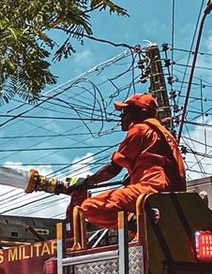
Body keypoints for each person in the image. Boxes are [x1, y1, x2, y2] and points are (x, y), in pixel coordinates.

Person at [67, 92, 186, 230]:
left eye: (125, 112)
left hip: (152, 189)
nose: (121, 116)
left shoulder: (140, 129)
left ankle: (139, 222)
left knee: (90, 207)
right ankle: (139, 223)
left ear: (140, 113)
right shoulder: (162, 132)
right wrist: (131, 177)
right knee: (124, 193)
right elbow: (158, 163)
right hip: (172, 194)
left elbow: (113, 168)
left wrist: (86, 182)